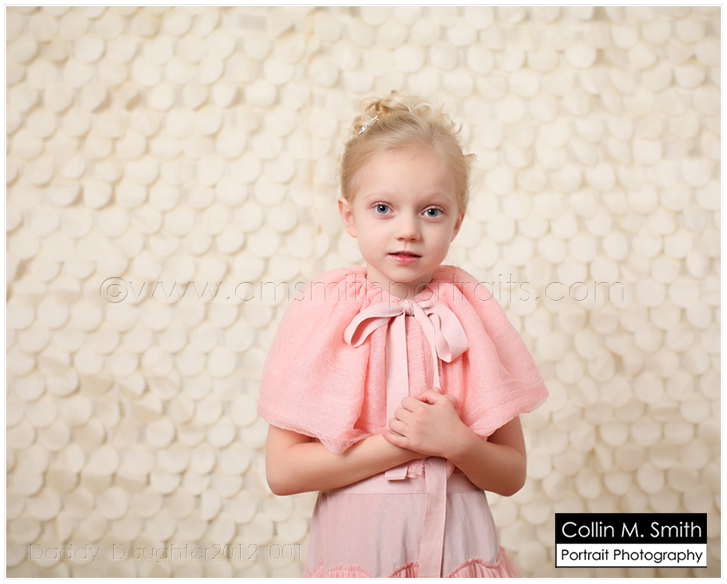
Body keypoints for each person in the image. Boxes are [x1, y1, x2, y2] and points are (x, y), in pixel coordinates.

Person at [257, 93, 548, 578]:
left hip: (459, 554)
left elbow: (511, 474)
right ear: (349, 216)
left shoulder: (470, 312)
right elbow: (283, 472)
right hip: (362, 555)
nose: (409, 230)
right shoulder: (323, 311)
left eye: (431, 211)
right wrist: (405, 445)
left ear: (457, 222)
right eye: (383, 208)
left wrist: (458, 443)